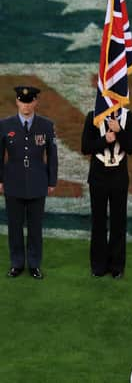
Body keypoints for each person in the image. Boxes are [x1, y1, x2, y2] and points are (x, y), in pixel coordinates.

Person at [0, 86, 58, 279]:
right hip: (13, 183)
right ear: (17, 102)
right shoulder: (5, 125)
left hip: (37, 182)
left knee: (35, 227)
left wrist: (52, 180)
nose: (26, 105)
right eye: (22, 101)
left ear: (35, 102)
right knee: (15, 227)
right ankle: (17, 264)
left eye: (29, 101)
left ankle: (34, 265)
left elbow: (52, 155)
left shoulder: (46, 125)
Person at [81, 106, 132, 278]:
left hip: (119, 178)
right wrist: (105, 140)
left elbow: (131, 148)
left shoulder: (129, 117)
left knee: (118, 222)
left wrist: (119, 131)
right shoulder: (93, 116)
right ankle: (98, 266)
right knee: (98, 221)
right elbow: (85, 147)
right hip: (98, 177)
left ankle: (117, 266)